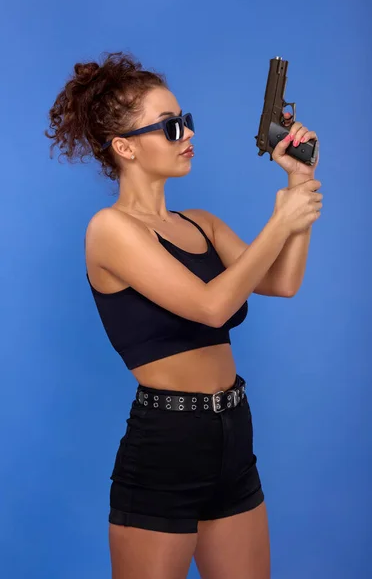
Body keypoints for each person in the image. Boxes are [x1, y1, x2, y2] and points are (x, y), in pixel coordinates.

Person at [45, 51, 322, 579]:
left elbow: (282, 282)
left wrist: (298, 185)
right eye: (171, 127)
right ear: (125, 147)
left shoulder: (200, 224)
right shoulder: (110, 231)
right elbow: (212, 307)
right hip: (167, 444)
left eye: (185, 122)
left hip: (234, 434)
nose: (187, 134)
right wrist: (278, 222)